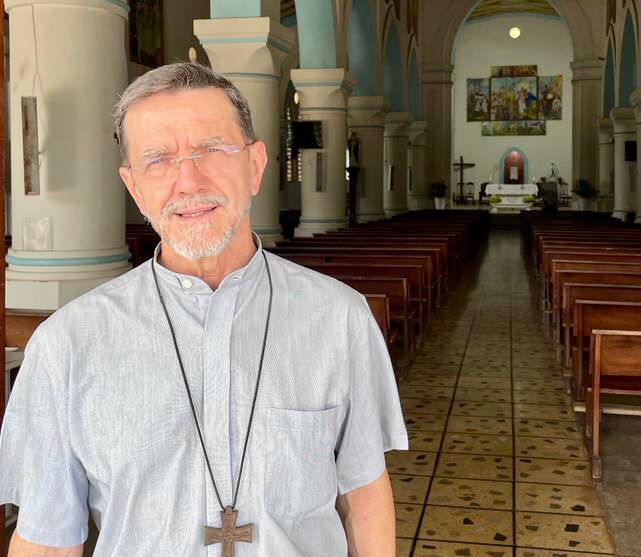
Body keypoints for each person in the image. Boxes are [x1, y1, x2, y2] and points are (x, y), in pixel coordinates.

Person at [0, 63, 408, 556]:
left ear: (255, 165)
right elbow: (47, 539)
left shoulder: (340, 319)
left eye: (212, 149)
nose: (188, 181)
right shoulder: (66, 345)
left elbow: (362, 496)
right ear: (133, 186)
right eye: (158, 159)